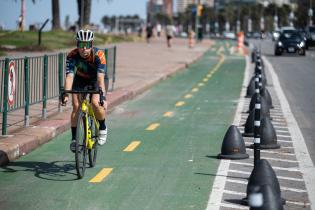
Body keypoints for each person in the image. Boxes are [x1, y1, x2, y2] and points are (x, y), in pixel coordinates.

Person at [61, 29, 108, 152]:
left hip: (95, 80)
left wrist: (103, 96)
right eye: (81, 45)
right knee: (76, 107)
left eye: (87, 45)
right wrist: (66, 93)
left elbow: (100, 78)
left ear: (91, 45)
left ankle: (102, 127)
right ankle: (74, 139)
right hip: (80, 79)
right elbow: (70, 76)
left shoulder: (99, 55)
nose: (84, 49)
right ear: (77, 45)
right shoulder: (72, 56)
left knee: (95, 103)